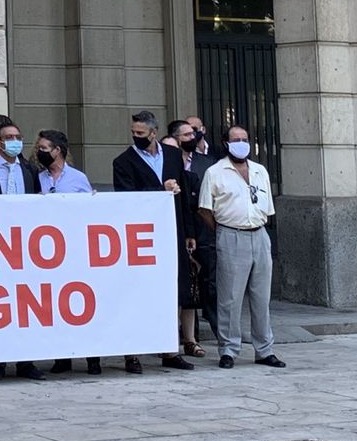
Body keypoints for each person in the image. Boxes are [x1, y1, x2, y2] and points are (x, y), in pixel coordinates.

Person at [112, 110, 194, 374]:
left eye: (141, 133)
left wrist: (188, 231)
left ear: (154, 133)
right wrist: (160, 192)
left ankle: (170, 349)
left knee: (174, 290)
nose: (136, 137)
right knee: (137, 290)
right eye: (133, 133)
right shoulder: (123, 162)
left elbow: (184, 196)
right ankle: (132, 353)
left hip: (173, 230)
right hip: (141, 236)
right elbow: (126, 198)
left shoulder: (172, 155)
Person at [198, 126, 284, 371]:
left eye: (245, 139)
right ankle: (228, 349)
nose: (241, 143)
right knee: (230, 298)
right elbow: (205, 209)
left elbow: (266, 207)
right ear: (226, 143)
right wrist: (223, 230)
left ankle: (264, 349)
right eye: (236, 140)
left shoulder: (260, 171)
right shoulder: (215, 172)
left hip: (259, 234)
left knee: (260, 296)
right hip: (231, 234)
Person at [0, 117, 44, 382]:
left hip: (25, 246)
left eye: (17, 137)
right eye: (9, 138)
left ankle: (25, 361)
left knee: (25, 303)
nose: (15, 142)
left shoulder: (30, 170)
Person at [36, 130, 101, 377]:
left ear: (57, 150)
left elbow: (89, 211)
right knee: (56, 304)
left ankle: (92, 357)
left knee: (82, 303)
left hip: (74, 248)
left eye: (44, 148)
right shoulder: (38, 177)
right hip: (48, 251)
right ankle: (62, 356)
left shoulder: (77, 178)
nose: (40, 152)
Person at [170, 118, 211, 356]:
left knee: (191, 286)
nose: (192, 137)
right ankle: (171, 339)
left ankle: (190, 338)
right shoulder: (170, 165)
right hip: (169, 232)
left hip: (192, 233)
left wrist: (192, 233)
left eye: (193, 133)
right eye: (186, 134)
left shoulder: (202, 165)